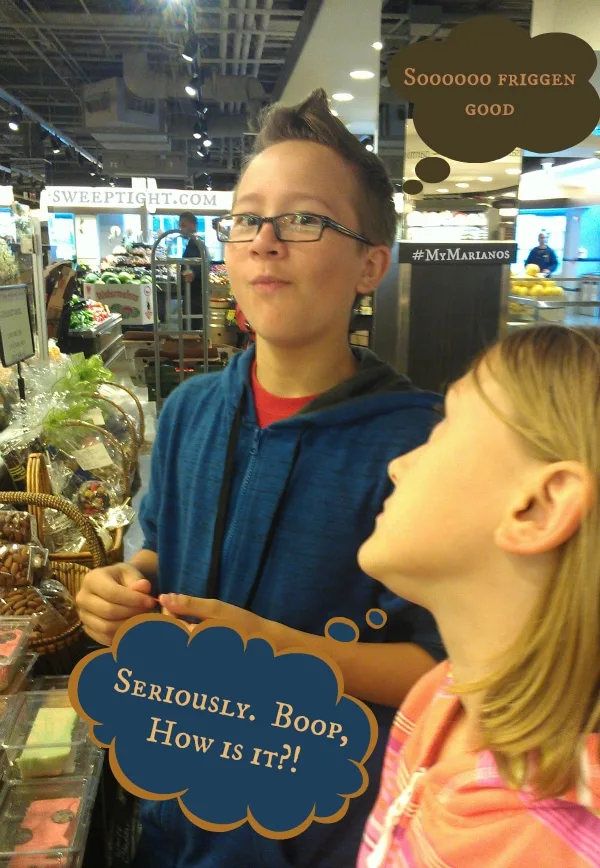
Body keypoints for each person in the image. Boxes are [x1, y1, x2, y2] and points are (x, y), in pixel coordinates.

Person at [76, 88, 445, 867]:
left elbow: (445, 669)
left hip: (324, 830)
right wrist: (123, 585)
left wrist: (280, 652)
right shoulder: (189, 412)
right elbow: (161, 556)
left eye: (304, 219)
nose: (264, 242)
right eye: (247, 218)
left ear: (370, 265)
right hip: (173, 812)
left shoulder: (426, 445)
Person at [357, 324, 600, 867]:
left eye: (444, 428)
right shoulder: (440, 699)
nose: (399, 465)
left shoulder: (561, 846)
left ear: (537, 507)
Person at [178, 210, 204, 326]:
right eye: (180, 226)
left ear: (193, 225)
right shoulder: (194, 242)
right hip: (193, 293)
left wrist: (192, 272)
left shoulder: (195, 242)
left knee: (191, 326)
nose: (180, 229)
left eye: (183, 225)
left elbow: (200, 263)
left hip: (194, 294)